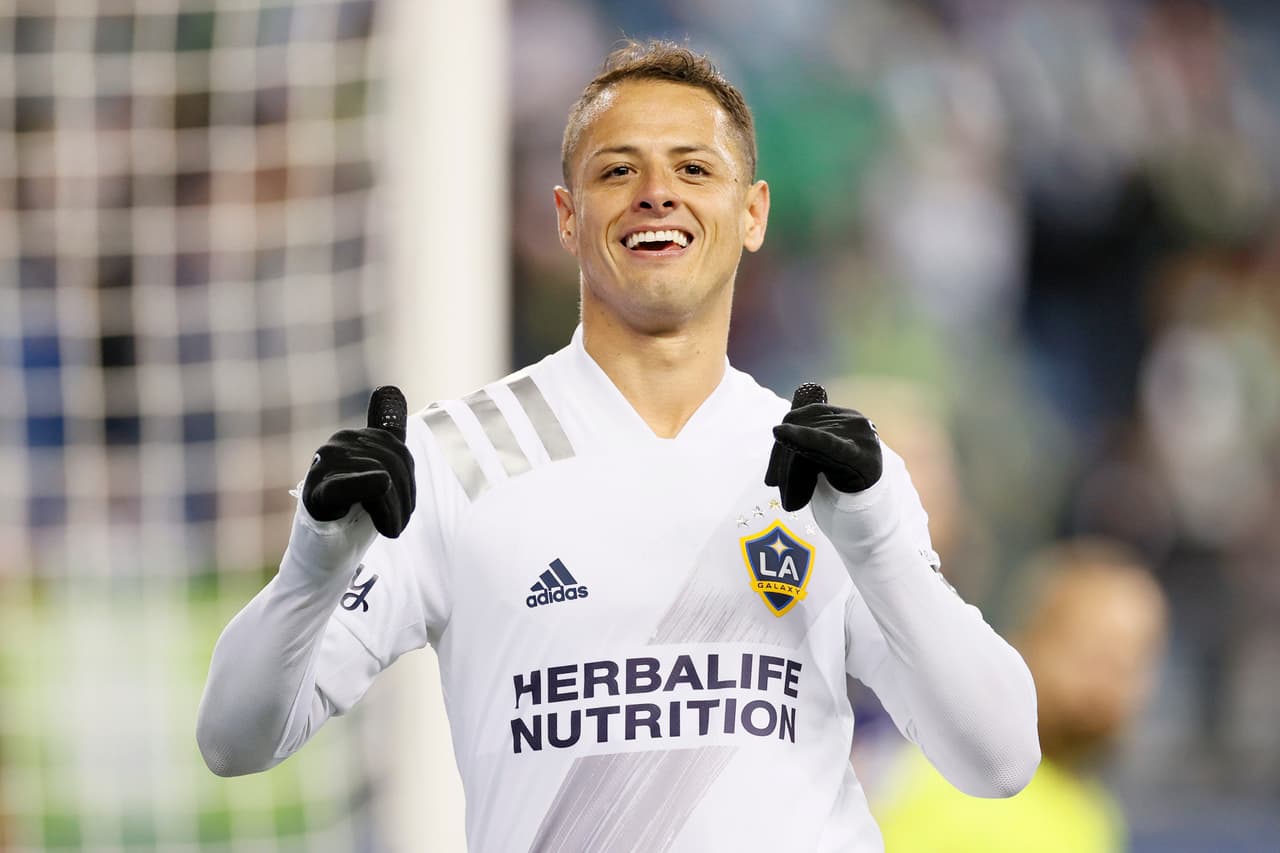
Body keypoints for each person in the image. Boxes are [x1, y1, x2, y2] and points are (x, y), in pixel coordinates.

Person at [197, 40, 1040, 851]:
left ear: (752, 214)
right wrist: (312, 566)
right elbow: (234, 741)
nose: (657, 193)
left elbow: (1000, 758)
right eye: (616, 170)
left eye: (695, 168)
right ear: (566, 217)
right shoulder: (452, 460)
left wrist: (877, 537)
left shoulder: (825, 474)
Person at [873, 539, 1168, 852]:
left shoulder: (1097, 817)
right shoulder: (947, 779)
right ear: (1026, 641)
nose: (1107, 686)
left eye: (1130, 664)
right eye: (1094, 655)